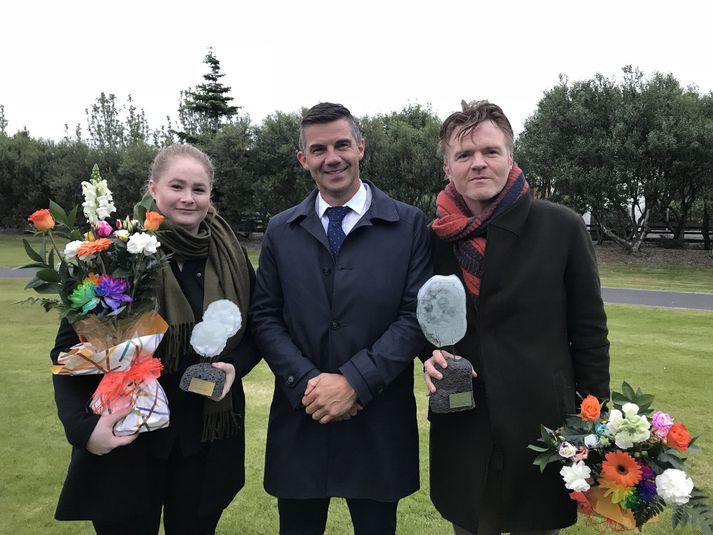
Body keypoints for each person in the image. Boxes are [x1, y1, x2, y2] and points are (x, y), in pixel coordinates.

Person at [50, 143, 259, 534]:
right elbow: (68, 352)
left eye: (199, 189)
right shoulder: (115, 255)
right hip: (127, 439)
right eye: (176, 186)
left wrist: (237, 365)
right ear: (154, 189)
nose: (188, 197)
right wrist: (83, 430)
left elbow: (259, 328)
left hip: (204, 439)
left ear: (210, 194)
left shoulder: (231, 255)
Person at [422, 100, 610, 535]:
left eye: (490, 151)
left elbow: (590, 333)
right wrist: (425, 354)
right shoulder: (432, 238)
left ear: (511, 158)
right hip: (463, 422)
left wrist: (593, 420)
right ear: (447, 169)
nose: (478, 163)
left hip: (541, 421)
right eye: (463, 155)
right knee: (470, 525)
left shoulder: (560, 227)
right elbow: (419, 319)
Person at [251, 102, 432, 535]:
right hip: (302, 413)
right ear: (303, 159)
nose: (332, 157)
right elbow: (264, 316)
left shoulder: (408, 225)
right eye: (319, 149)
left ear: (361, 148)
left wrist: (354, 382)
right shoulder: (280, 229)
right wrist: (309, 384)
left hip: (377, 418)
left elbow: (414, 317)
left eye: (341, 144)